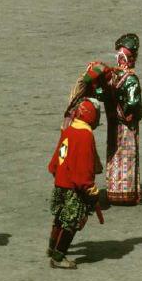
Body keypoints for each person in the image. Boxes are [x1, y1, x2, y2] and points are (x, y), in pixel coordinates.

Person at [47, 98, 103, 269]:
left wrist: (56, 170)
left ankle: (51, 247)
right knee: (72, 221)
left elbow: (60, 154)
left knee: (59, 217)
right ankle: (58, 256)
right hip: (74, 186)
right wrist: (89, 187)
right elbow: (85, 165)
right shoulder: (86, 135)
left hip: (61, 181)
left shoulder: (70, 129)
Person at [106, 34, 142, 205]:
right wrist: (131, 114)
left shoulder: (111, 76)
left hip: (113, 123)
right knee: (128, 154)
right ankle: (127, 191)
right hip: (127, 125)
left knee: (114, 154)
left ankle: (114, 189)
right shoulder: (131, 79)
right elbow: (133, 102)